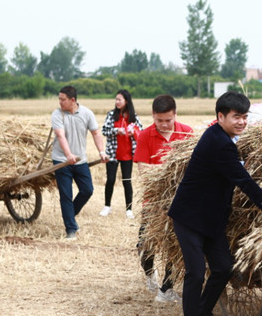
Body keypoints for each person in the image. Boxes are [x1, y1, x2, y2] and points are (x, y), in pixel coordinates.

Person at [168, 91, 262, 316]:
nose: (242, 122)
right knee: (196, 273)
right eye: (237, 117)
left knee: (223, 267)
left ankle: (202, 315)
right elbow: (243, 181)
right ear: (220, 116)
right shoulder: (219, 143)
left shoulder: (224, 138)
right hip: (190, 218)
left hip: (211, 219)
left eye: (245, 117)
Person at [134, 94, 193, 304]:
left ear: (175, 114)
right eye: (160, 121)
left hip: (181, 201)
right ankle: (150, 275)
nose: (165, 125)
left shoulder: (187, 133)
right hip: (153, 201)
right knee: (144, 245)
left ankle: (166, 289)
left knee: (175, 245)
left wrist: (160, 170)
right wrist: (172, 170)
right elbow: (143, 170)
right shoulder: (145, 135)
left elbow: (193, 168)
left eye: (168, 120)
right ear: (153, 116)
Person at [51, 85, 108, 240]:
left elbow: (96, 133)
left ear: (73, 100)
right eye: (59, 99)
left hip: (80, 159)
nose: (60, 102)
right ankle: (70, 228)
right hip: (62, 160)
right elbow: (61, 136)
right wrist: (68, 155)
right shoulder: (57, 115)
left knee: (87, 190)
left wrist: (101, 152)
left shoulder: (86, 113)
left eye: (63, 99)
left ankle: (70, 215)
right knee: (66, 195)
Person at [100, 89, 142, 219]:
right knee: (110, 179)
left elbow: (141, 133)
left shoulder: (133, 117)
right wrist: (116, 130)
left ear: (126, 101)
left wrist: (133, 132)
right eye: (116, 99)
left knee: (127, 181)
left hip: (128, 154)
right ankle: (107, 206)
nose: (117, 102)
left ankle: (129, 209)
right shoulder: (111, 115)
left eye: (120, 99)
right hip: (112, 153)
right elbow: (104, 131)